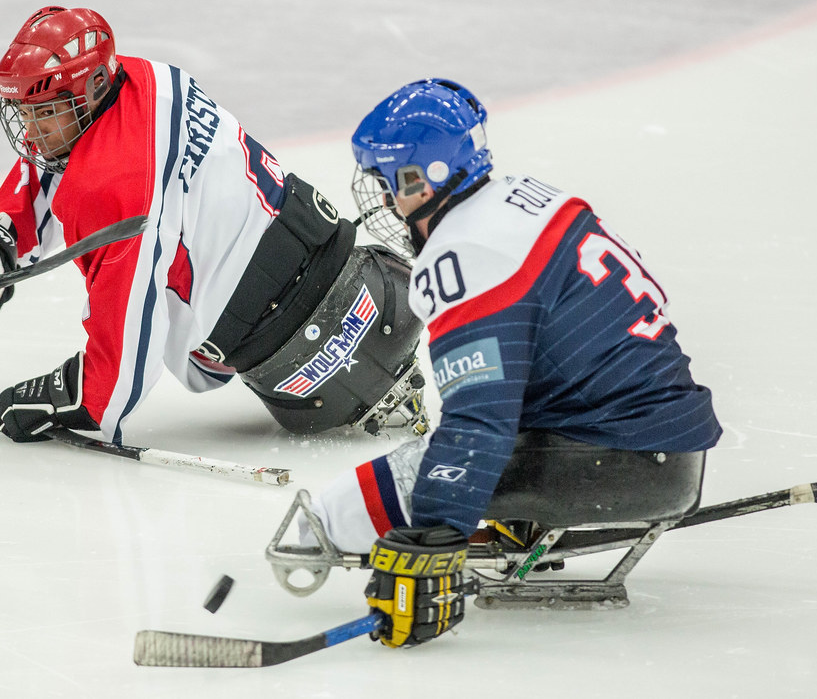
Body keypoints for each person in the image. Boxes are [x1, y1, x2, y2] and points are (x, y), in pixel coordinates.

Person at [292, 78, 723, 648]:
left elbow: (479, 421)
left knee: (323, 522)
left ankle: (315, 532)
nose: (386, 200)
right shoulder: (522, 196)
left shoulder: (465, 252)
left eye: (392, 181)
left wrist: (435, 534)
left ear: (428, 177)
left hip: (621, 456)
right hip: (658, 439)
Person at [0, 6, 428, 445]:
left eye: (46, 113)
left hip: (303, 353)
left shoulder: (118, 183)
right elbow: (68, 160)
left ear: (94, 87)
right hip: (342, 268)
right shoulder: (146, 78)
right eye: (27, 113)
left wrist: (70, 396)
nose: (31, 132)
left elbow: (124, 357)